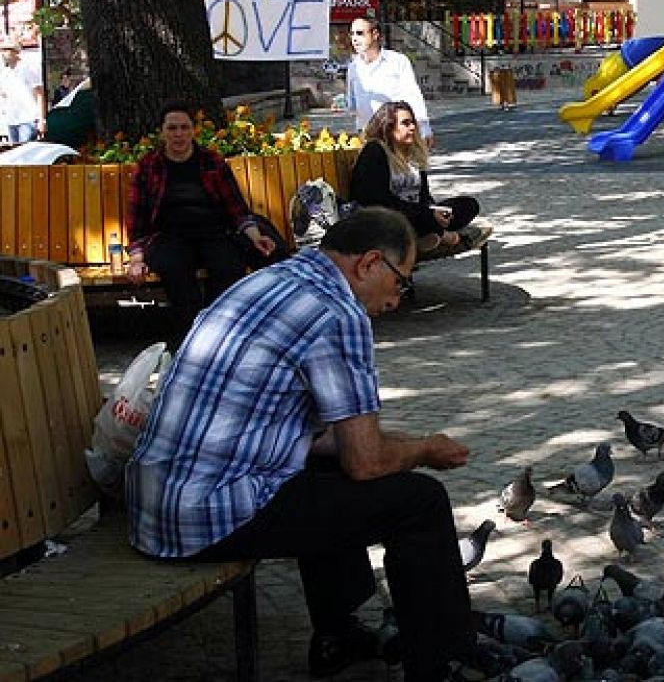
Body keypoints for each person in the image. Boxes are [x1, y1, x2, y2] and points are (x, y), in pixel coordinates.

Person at [126, 208, 518, 682]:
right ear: (369, 263)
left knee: (323, 477)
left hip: (156, 499)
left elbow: (323, 442)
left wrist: (409, 444)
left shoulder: (275, 279)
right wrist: (424, 451)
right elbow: (366, 463)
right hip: (205, 515)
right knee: (421, 502)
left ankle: (339, 635)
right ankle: (441, 657)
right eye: (401, 283)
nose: (398, 300)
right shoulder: (339, 313)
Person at [126, 102, 277, 330]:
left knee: (228, 267)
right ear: (162, 131)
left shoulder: (212, 161)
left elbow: (237, 209)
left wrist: (255, 237)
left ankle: (218, 331)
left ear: (193, 130)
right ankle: (190, 335)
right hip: (168, 236)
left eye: (185, 128)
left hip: (213, 233)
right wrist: (136, 259)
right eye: (173, 128)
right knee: (176, 272)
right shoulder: (148, 166)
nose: (179, 134)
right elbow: (137, 219)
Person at [350, 100, 484, 254]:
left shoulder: (413, 154)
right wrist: (426, 215)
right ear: (389, 127)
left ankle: (424, 237)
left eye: (413, 122)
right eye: (406, 123)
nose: (413, 127)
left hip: (417, 216)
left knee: (468, 205)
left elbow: (424, 196)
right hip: (386, 217)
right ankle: (435, 236)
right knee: (404, 220)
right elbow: (377, 200)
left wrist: (435, 211)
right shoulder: (375, 151)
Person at [346, 16, 433, 148]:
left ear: (375, 34)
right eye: (352, 34)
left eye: (360, 33)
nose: (354, 39)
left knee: (403, 168)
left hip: (395, 133)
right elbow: (352, 103)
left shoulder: (397, 61)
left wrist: (424, 128)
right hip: (368, 136)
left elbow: (413, 95)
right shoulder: (353, 68)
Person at [0, 34, 46, 144]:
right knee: (15, 155)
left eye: (7, 50)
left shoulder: (28, 67)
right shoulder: (5, 73)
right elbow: (5, 96)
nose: (4, 53)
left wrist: (41, 120)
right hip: (12, 120)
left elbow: (39, 94)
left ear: (16, 51)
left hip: (28, 119)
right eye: (2, 50)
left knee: (26, 153)